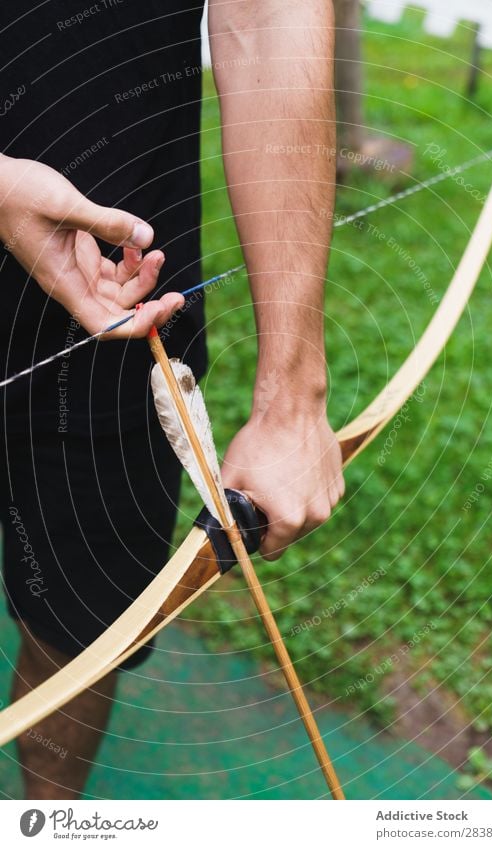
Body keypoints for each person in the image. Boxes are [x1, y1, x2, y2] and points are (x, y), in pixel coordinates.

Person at [0, 0, 343, 799]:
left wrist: (294, 394)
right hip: (111, 281)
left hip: (118, 303)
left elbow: (268, 17)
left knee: (80, 631)